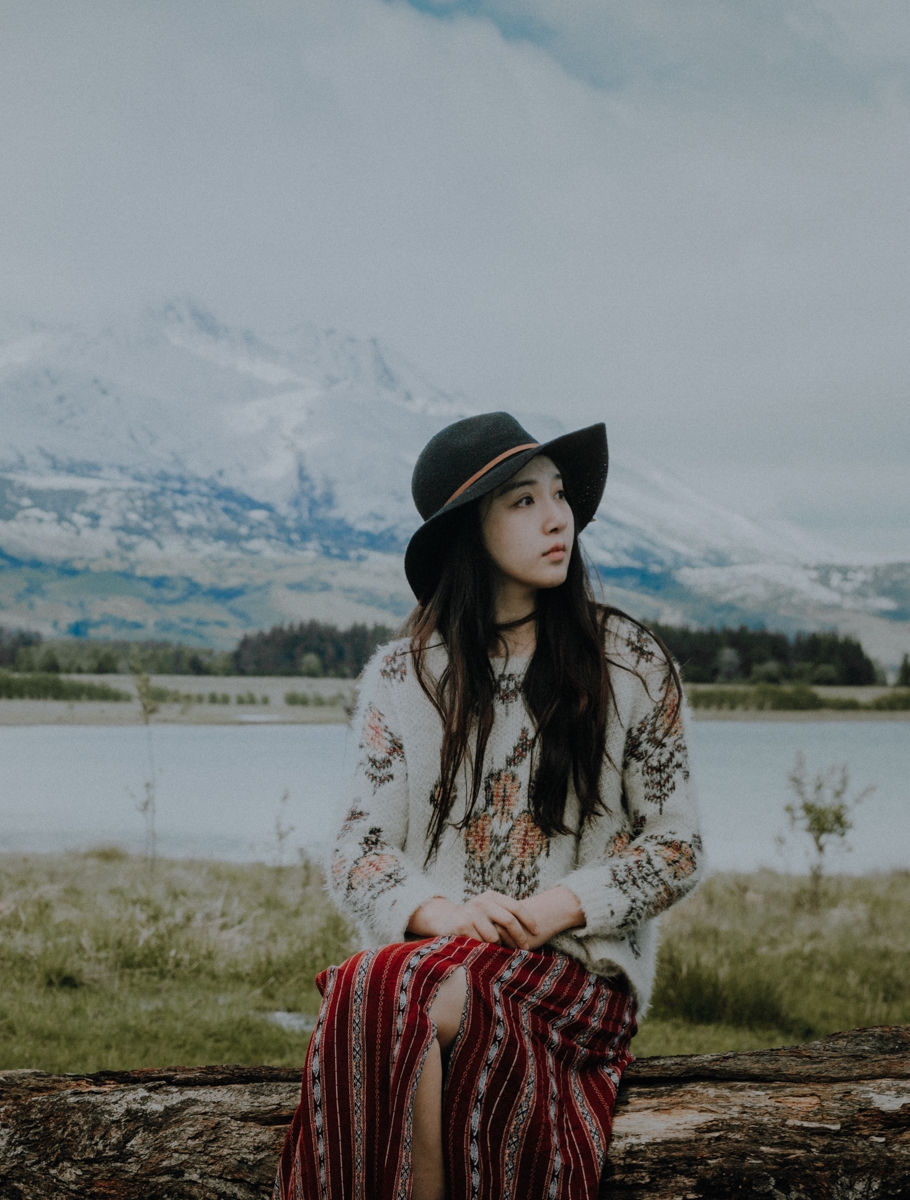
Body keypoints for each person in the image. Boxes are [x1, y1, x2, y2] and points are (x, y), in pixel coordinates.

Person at [274, 412, 703, 1200]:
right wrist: (444, 914)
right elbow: (358, 853)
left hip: (572, 980)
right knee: (383, 987)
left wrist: (549, 912)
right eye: (523, 501)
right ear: (468, 531)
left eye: (560, 494)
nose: (557, 518)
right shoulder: (404, 676)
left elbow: (676, 849)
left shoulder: (627, 662)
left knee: (377, 990)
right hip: (430, 969)